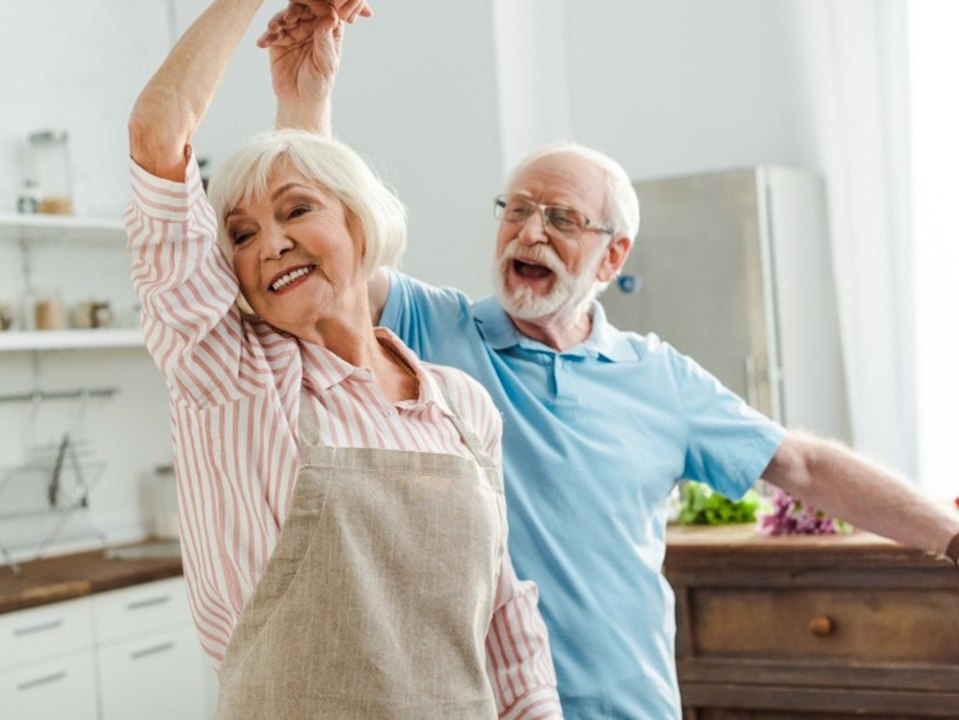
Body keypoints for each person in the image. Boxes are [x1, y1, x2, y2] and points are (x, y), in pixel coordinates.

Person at [259, 4, 959, 718]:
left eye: (561, 218)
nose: (529, 232)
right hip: (481, 704)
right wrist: (303, 99)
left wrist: (951, 533)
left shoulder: (659, 377)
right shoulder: (429, 327)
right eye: (516, 210)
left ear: (612, 255)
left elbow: (803, 466)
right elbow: (329, 259)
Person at [126, 1, 563, 718]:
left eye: (296, 212)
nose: (267, 244)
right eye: (239, 235)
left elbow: (504, 619)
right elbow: (157, 132)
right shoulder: (235, 377)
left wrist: (304, 99)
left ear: (362, 223)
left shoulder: (460, 406)